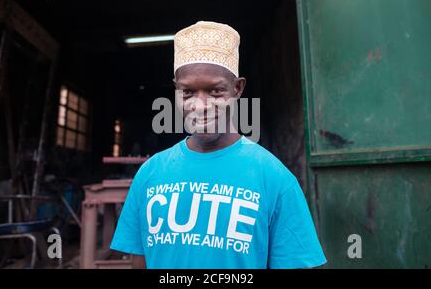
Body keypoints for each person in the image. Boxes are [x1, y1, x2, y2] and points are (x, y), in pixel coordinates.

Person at [110, 21, 326, 269]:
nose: (201, 106)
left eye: (215, 91)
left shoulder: (274, 178)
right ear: (176, 90)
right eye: (187, 92)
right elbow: (140, 262)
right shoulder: (150, 174)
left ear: (237, 89)